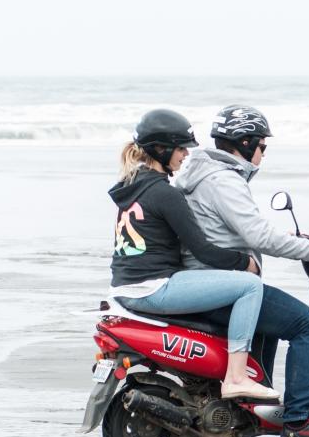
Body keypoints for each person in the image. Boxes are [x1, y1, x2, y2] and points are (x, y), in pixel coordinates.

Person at [174, 104, 309, 437]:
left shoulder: (204, 174)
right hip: (220, 285)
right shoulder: (223, 180)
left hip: (207, 280)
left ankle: (254, 406)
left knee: (271, 325)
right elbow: (258, 236)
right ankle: (299, 421)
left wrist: (297, 241)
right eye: (262, 147)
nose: (263, 155)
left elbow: (243, 230)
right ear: (244, 142)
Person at [109, 108, 277, 401]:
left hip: (124, 287)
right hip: (155, 287)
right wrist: (245, 262)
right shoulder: (165, 193)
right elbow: (203, 250)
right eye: (181, 148)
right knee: (250, 287)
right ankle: (237, 378)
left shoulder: (132, 187)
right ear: (160, 149)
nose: (186, 155)